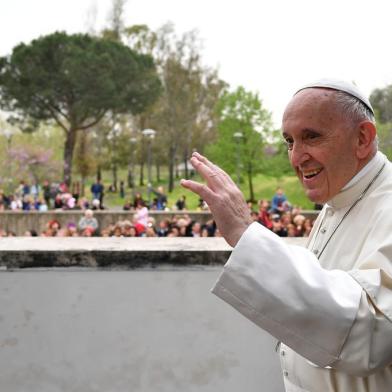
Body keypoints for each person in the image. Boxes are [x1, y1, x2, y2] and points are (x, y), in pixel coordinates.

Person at [181, 79, 392, 391]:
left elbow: (372, 333)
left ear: (362, 138)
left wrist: (244, 232)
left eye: (311, 137)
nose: (296, 158)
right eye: (290, 142)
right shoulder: (339, 198)